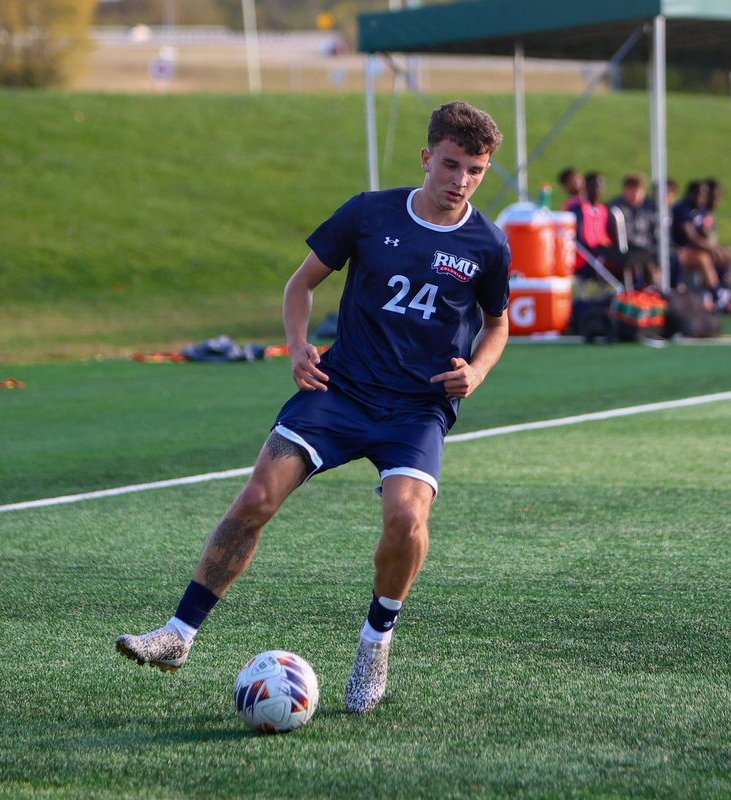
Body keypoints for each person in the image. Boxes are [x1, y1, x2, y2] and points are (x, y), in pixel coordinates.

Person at [114, 101, 512, 715]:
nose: (461, 181)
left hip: (416, 408)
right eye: (452, 164)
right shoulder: (369, 211)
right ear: (427, 157)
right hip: (339, 389)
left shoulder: (487, 243)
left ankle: (374, 646)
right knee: (254, 500)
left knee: (406, 522)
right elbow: (300, 284)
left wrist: (477, 370)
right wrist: (299, 346)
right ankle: (178, 635)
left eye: (477, 170)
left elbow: (498, 324)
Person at [560, 168, 613, 294]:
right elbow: (579, 238)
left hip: (599, 253)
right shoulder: (575, 208)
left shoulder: (600, 208)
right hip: (584, 257)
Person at [606, 172, 660, 287]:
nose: (635, 194)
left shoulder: (649, 207)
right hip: (627, 250)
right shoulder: (617, 208)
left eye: (638, 190)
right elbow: (625, 237)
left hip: (648, 248)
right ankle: (645, 293)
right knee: (643, 259)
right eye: (631, 190)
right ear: (624, 190)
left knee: (671, 256)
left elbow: (655, 232)